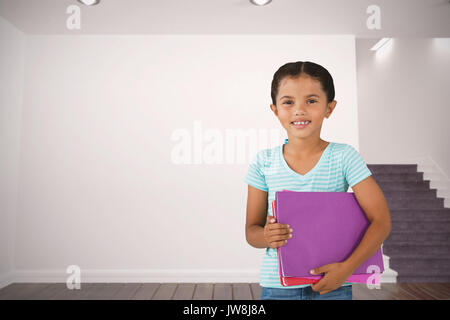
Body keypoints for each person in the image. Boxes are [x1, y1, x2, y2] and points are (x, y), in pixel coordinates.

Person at [244, 61, 392, 300]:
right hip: (277, 286)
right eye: (288, 102)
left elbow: (381, 221)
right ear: (275, 110)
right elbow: (252, 232)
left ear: (329, 108)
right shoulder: (263, 162)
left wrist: (346, 270)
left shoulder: (344, 157)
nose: (299, 110)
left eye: (311, 101)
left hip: (333, 282)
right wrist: (266, 237)